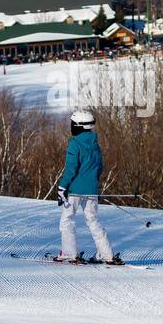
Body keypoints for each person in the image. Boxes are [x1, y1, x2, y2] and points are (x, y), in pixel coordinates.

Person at [55, 109, 115, 264]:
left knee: (67, 220)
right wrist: (91, 183)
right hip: (91, 191)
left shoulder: (75, 144)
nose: (71, 126)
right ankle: (107, 255)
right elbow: (99, 167)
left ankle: (70, 253)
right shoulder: (95, 145)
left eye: (73, 124)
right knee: (93, 221)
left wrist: (62, 188)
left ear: (79, 126)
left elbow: (70, 169)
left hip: (74, 190)